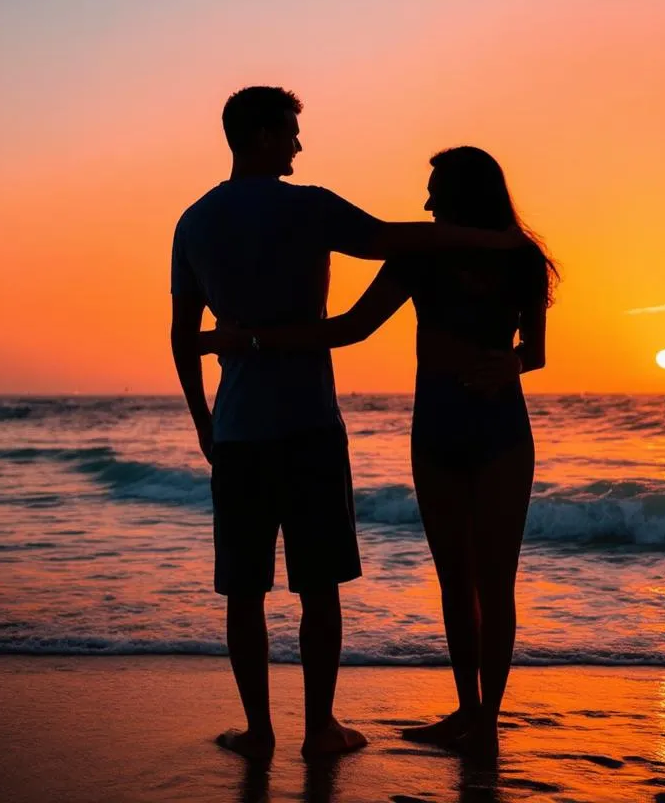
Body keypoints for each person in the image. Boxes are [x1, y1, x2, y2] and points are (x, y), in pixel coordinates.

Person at [170, 89, 525, 763]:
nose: (300, 146)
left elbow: (183, 338)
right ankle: (319, 728)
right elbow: (392, 239)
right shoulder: (308, 208)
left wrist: (202, 421)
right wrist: (494, 239)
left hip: (238, 429)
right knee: (318, 586)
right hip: (308, 424)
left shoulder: (194, 222)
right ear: (268, 134)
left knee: (244, 590)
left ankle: (259, 730)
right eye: (294, 132)